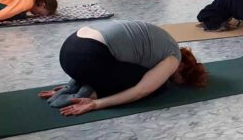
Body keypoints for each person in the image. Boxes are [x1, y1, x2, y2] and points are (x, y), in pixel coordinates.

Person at [39, 20, 208, 115]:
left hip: (69, 48)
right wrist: (96, 104)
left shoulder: (163, 40)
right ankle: (89, 92)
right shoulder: (173, 59)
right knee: (158, 87)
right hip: (87, 58)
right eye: (180, 79)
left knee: (128, 66)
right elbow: (141, 91)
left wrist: (77, 75)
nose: (176, 82)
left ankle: (74, 86)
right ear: (183, 66)